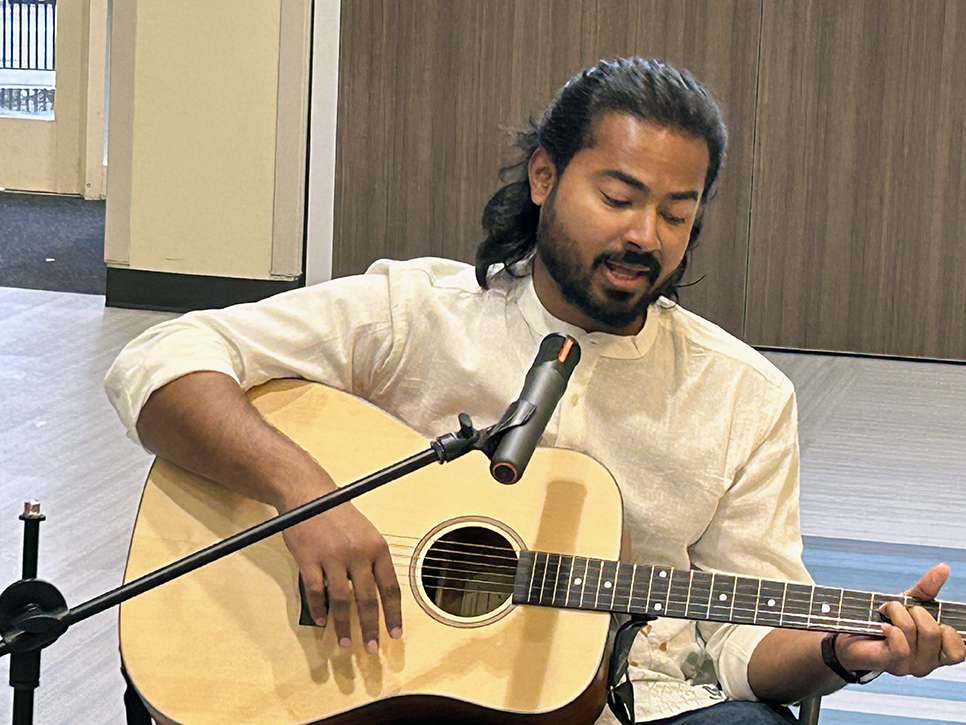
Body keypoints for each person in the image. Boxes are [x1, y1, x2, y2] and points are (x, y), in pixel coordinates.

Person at [105, 58, 964, 724]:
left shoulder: (745, 396)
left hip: (633, 699)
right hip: (386, 684)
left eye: (677, 211)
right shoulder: (414, 312)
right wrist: (307, 497)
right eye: (620, 196)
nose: (645, 234)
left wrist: (846, 652)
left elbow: (743, 644)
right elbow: (160, 361)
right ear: (546, 177)